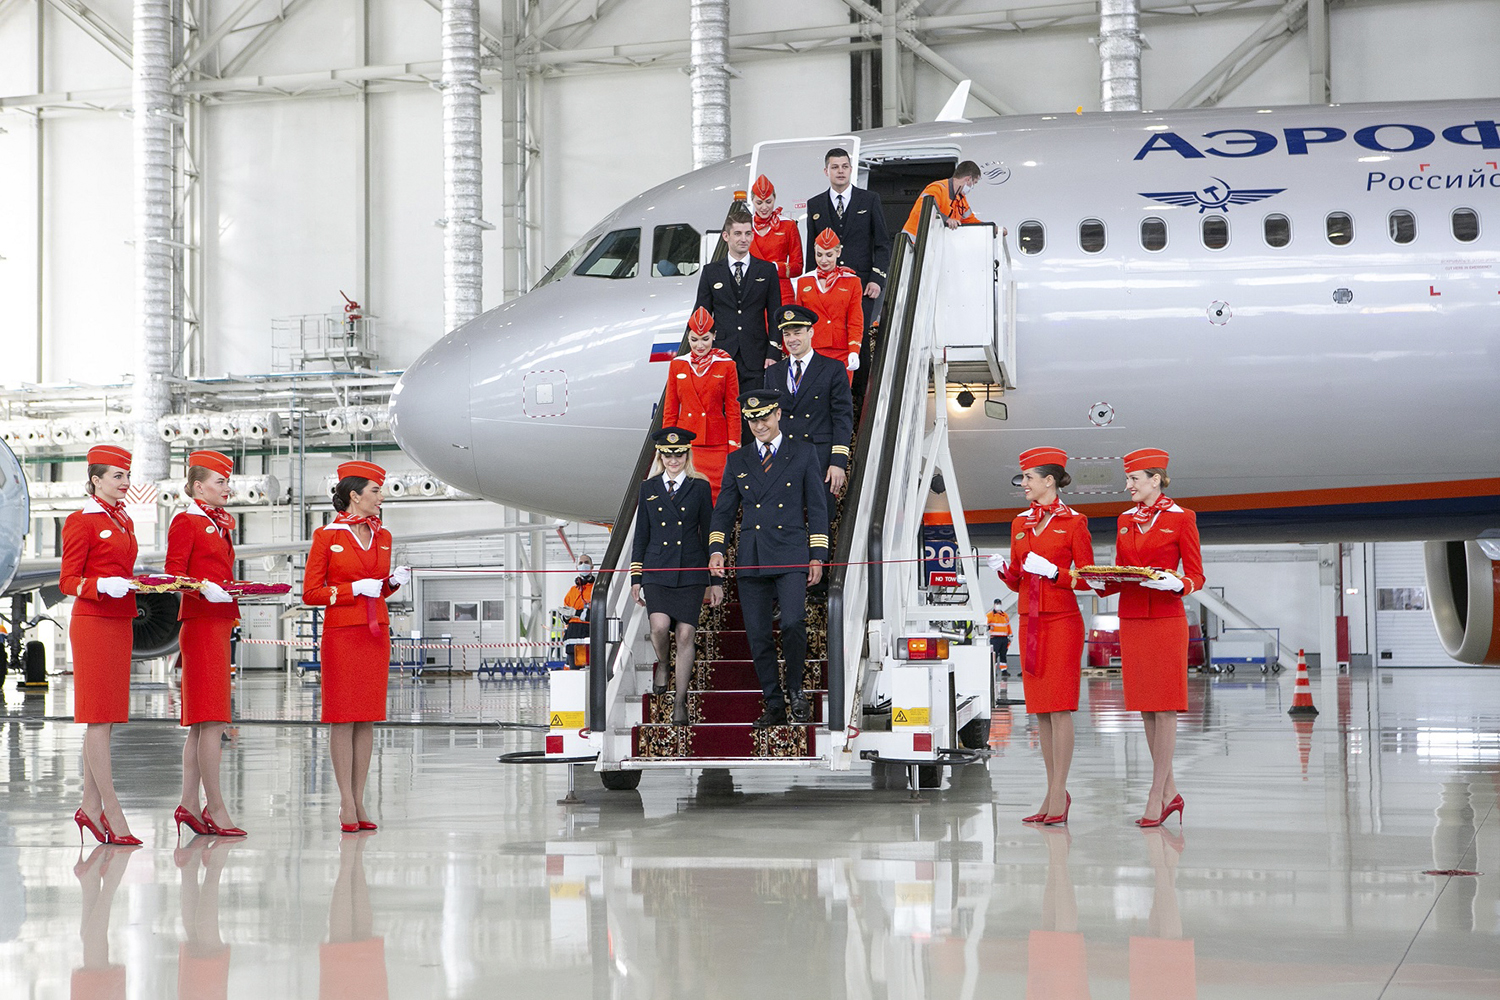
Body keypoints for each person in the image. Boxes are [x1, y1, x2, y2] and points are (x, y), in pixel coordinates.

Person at [708, 389, 829, 727]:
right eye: (752, 420)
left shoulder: (803, 453)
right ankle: (773, 703)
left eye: (764, 417)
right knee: (758, 635)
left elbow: (817, 509)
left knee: (792, 622)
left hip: (791, 552)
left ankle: (795, 691)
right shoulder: (739, 459)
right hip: (752, 556)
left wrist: (817, 555)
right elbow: (724, 510)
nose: (759, 424)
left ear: (778, 415)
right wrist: (716, 548)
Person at [989, 447, 1094, 825]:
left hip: (1062, 621)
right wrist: (1003, 570)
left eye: (1029, 478)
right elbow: (1018, 578)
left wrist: (1054, 573)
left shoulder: (1075, 523)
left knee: (1060, 708)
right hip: (1029, 622)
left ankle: (1057, 794)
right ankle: (1054, 792)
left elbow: (1087, 579)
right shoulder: (1020, 523)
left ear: (1049, 480)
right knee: (1041, 713)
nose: (1024, 484)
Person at [302, 461, 408, 833]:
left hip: (375, 634)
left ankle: (360, 797)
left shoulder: (383, 536)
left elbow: (377, 586)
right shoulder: (326, 537)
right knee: (342, 716)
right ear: (355, 496)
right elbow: (311, 593)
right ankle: (345, 801)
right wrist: (350, 590)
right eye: (376, 490)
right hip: (343, 634)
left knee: (367, 717)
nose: (381, 497)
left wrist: (392, 583)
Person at [1101, 448, 1204, 828]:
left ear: (1155, 480)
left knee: (1165, 706)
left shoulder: (1181, 519)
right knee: (1145, 705)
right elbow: (1121, 568)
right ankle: (1170, 792)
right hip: (1132, 617)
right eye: (1127, 479)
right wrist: (1100, 580)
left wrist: (1180, 583)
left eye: (1133, 479)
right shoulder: (1125, 520)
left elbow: (1196, 574)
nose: (1127, 485)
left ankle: (1154, 794)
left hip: (1165, 618)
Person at [62, 444, 143, 846]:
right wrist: (99, 585)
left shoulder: (124, 521)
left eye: (126, 476)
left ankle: (90, 808)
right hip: (93, 622)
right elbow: (67, 581)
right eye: (117, 476)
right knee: (97, 718)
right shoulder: (83, 521)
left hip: (120, 621)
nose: (125, 482)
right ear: (95, 480)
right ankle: (111, 809)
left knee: (107, 718)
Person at [166, 450, 246, 839]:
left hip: (217, 622)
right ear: (199, 487)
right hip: (200, 625)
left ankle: (188, 804)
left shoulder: (219, 524)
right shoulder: (187, 521)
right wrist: (203, 589)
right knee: (212, 720)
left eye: (227, 482)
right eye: (220, 482)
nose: (227, 488)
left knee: (203, 724)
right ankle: (214, 807)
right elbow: (172, 575)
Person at [630, 427, 723, 725]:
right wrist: (636, 577)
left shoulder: (699, 487)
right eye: (668, 454)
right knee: (659, 627)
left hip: (691, 570)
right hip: (658, 570)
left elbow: (709, 534)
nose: (674, 459)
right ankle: (663, 663)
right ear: (660, 455)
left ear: (687, 454)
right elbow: (641, 535)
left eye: (679, 453)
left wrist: (715, 580)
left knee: (685, 634)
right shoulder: (648, 487)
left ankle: (680, 700)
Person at [764, 304, 853, 496]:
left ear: (810, 332)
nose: (792, 339)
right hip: (783, 460)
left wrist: (838, 461)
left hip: (819, 458)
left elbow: (842, 418)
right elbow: (767, 420)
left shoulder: (833, 369)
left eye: (797, 332)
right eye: (787, 334)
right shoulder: (773, 372)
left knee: (820, 521)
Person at [804, 147, 892, 337]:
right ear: (826, 171)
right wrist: (811, 283)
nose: (840, 171)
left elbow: (883, 243)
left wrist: (877, 279)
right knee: (829, 336)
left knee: (859, 338)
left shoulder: (870, 200)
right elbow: (812, 249)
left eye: (845, 166)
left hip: (863, 284)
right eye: (835, 167)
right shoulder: (815, 204)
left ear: (851, 169)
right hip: (826, 285)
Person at [694, 204, 782, 392]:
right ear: (726, 236)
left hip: (756, 355)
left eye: (748, 233)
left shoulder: (767, 270)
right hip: (720, 354)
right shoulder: (711, 272)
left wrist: (774, 351)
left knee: (753, 414)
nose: (744, 239)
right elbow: (700, 314)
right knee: (722, 413)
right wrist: (701, 353)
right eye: (738, 234)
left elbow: (776, 314)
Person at [662, 307, 740, 501]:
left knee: (717, 500)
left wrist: (734, 449)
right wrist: (667, 446)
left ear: (714, 336)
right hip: (686, 446)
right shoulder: (677, 364)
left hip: (717, 445)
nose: (700, 345)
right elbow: (670, 410)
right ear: (688, 338)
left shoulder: (726, 365)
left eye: (705, 338)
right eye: (694, 339)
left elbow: (733, 410)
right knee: (686, 501)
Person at [795, 229, 866, 381]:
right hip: (811, 350)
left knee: (839, 400)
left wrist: (854, 350)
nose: (823, 260)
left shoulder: (852, 281)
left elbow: (855, 320)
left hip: (841, 351)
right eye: (819, 255)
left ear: (838, 253)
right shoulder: (804, 281)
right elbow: (798, 322)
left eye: (829, 255)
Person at [748, 174, 803, 305]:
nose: (764, 207)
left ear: (775, 199)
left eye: (768, 202)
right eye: (759, 202)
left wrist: (774, 268)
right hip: (751, 294)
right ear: (752, 201)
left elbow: (798, 267)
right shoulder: (745, 227)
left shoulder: (788, 225)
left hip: (782, 293)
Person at [902, 160, 983, 237]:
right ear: (968, 179)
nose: (972, 187)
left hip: (932, 244)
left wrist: (988, 228)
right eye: (974, 182)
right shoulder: (937, 189)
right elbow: (923, 211)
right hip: (913, 244)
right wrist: (946, 219)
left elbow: (970, 220)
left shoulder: (961, 199)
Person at [562, 556, 595, 643]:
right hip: (572, 635)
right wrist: (565, 616)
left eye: (586, 562)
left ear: (592, 566)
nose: (583, 565)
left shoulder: (596, 589)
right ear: (577, 568)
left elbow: (596, 615)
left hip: (589, 632)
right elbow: (565, 617)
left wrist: (575, 613)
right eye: (580, 563)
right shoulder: (572, 591)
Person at [987, 600, 1012, 675]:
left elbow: (1008, 626)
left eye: (999, 604)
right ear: (994, 605)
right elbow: (985, 624)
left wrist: (1010, 635)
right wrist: (989, 627)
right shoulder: (990, 615)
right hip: (995, 638)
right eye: (997, 604)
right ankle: (993, 671)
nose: (998, 605)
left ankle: (1004, 670)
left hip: (1004, 638)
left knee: (1003, 654)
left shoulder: (1005, 615)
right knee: (995, 654)